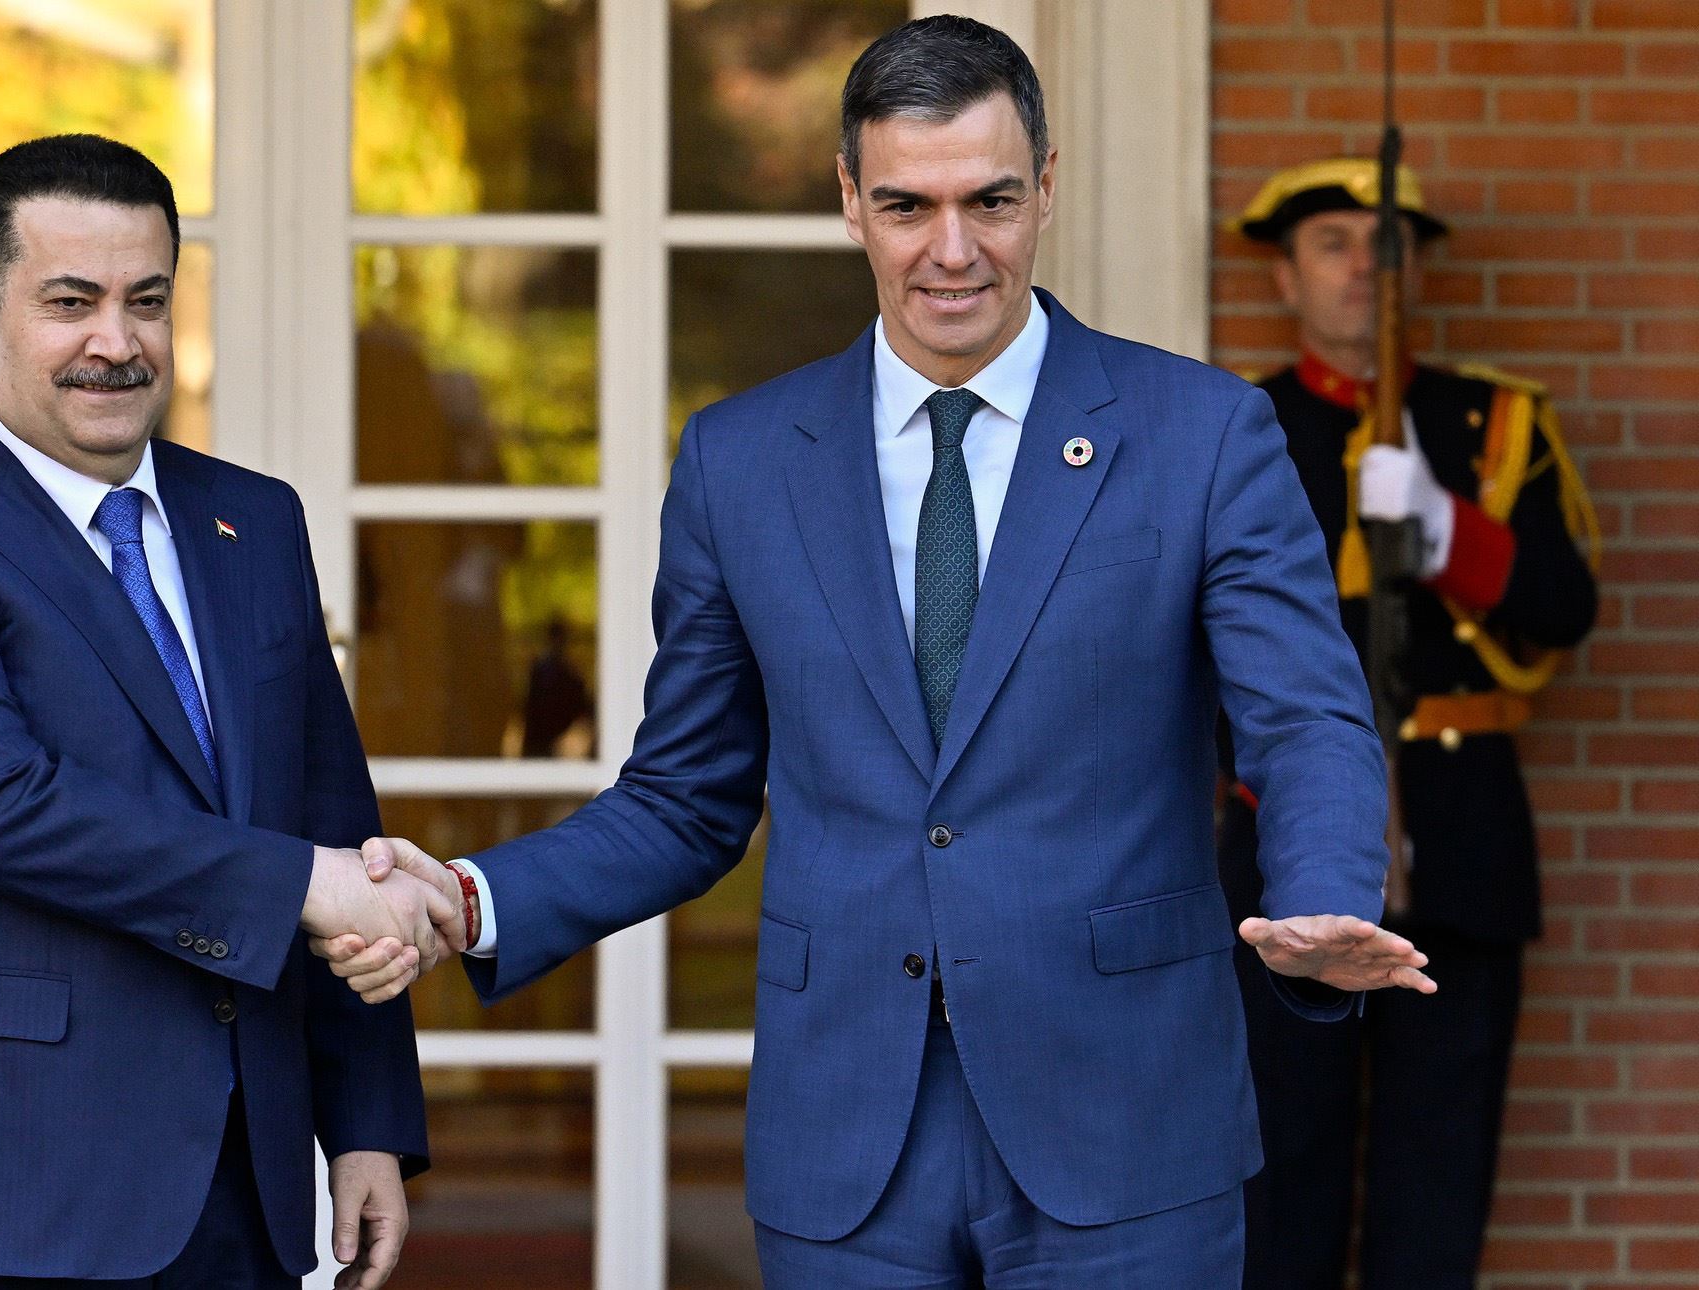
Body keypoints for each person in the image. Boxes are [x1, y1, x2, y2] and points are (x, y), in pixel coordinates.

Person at [326, 17, 1433, 1286]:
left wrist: (1322, 896)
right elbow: (684, 798)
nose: (951, 250)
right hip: (847, 1138)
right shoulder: (740, 460)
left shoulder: (1202, 433)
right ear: (849, 199)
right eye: (907, 204)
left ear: (1045, 188)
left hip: (1125, 1118)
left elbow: (1304, 718)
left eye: (989, 201)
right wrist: (472, 900)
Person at [0, 134, 460, 1290]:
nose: (116, 341)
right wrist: (302, 886)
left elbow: (332, 818)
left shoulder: (255, 521)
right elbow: (0, 805)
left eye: (146, 300)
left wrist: (365, 1123)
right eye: (70, 302)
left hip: (236, 1185)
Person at [1221, 159, 1599, 1290]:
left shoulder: (1489, 423)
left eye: (1384, 245)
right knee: (1277, 1171)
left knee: (1436, 1180)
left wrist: (1440, 528)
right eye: (1331, 243)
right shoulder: (1241, 426)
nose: (1362, 269)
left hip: (1456, 824)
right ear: (1285, 277)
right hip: (1280, 835)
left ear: (1416, 272)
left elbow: (1562, 605)